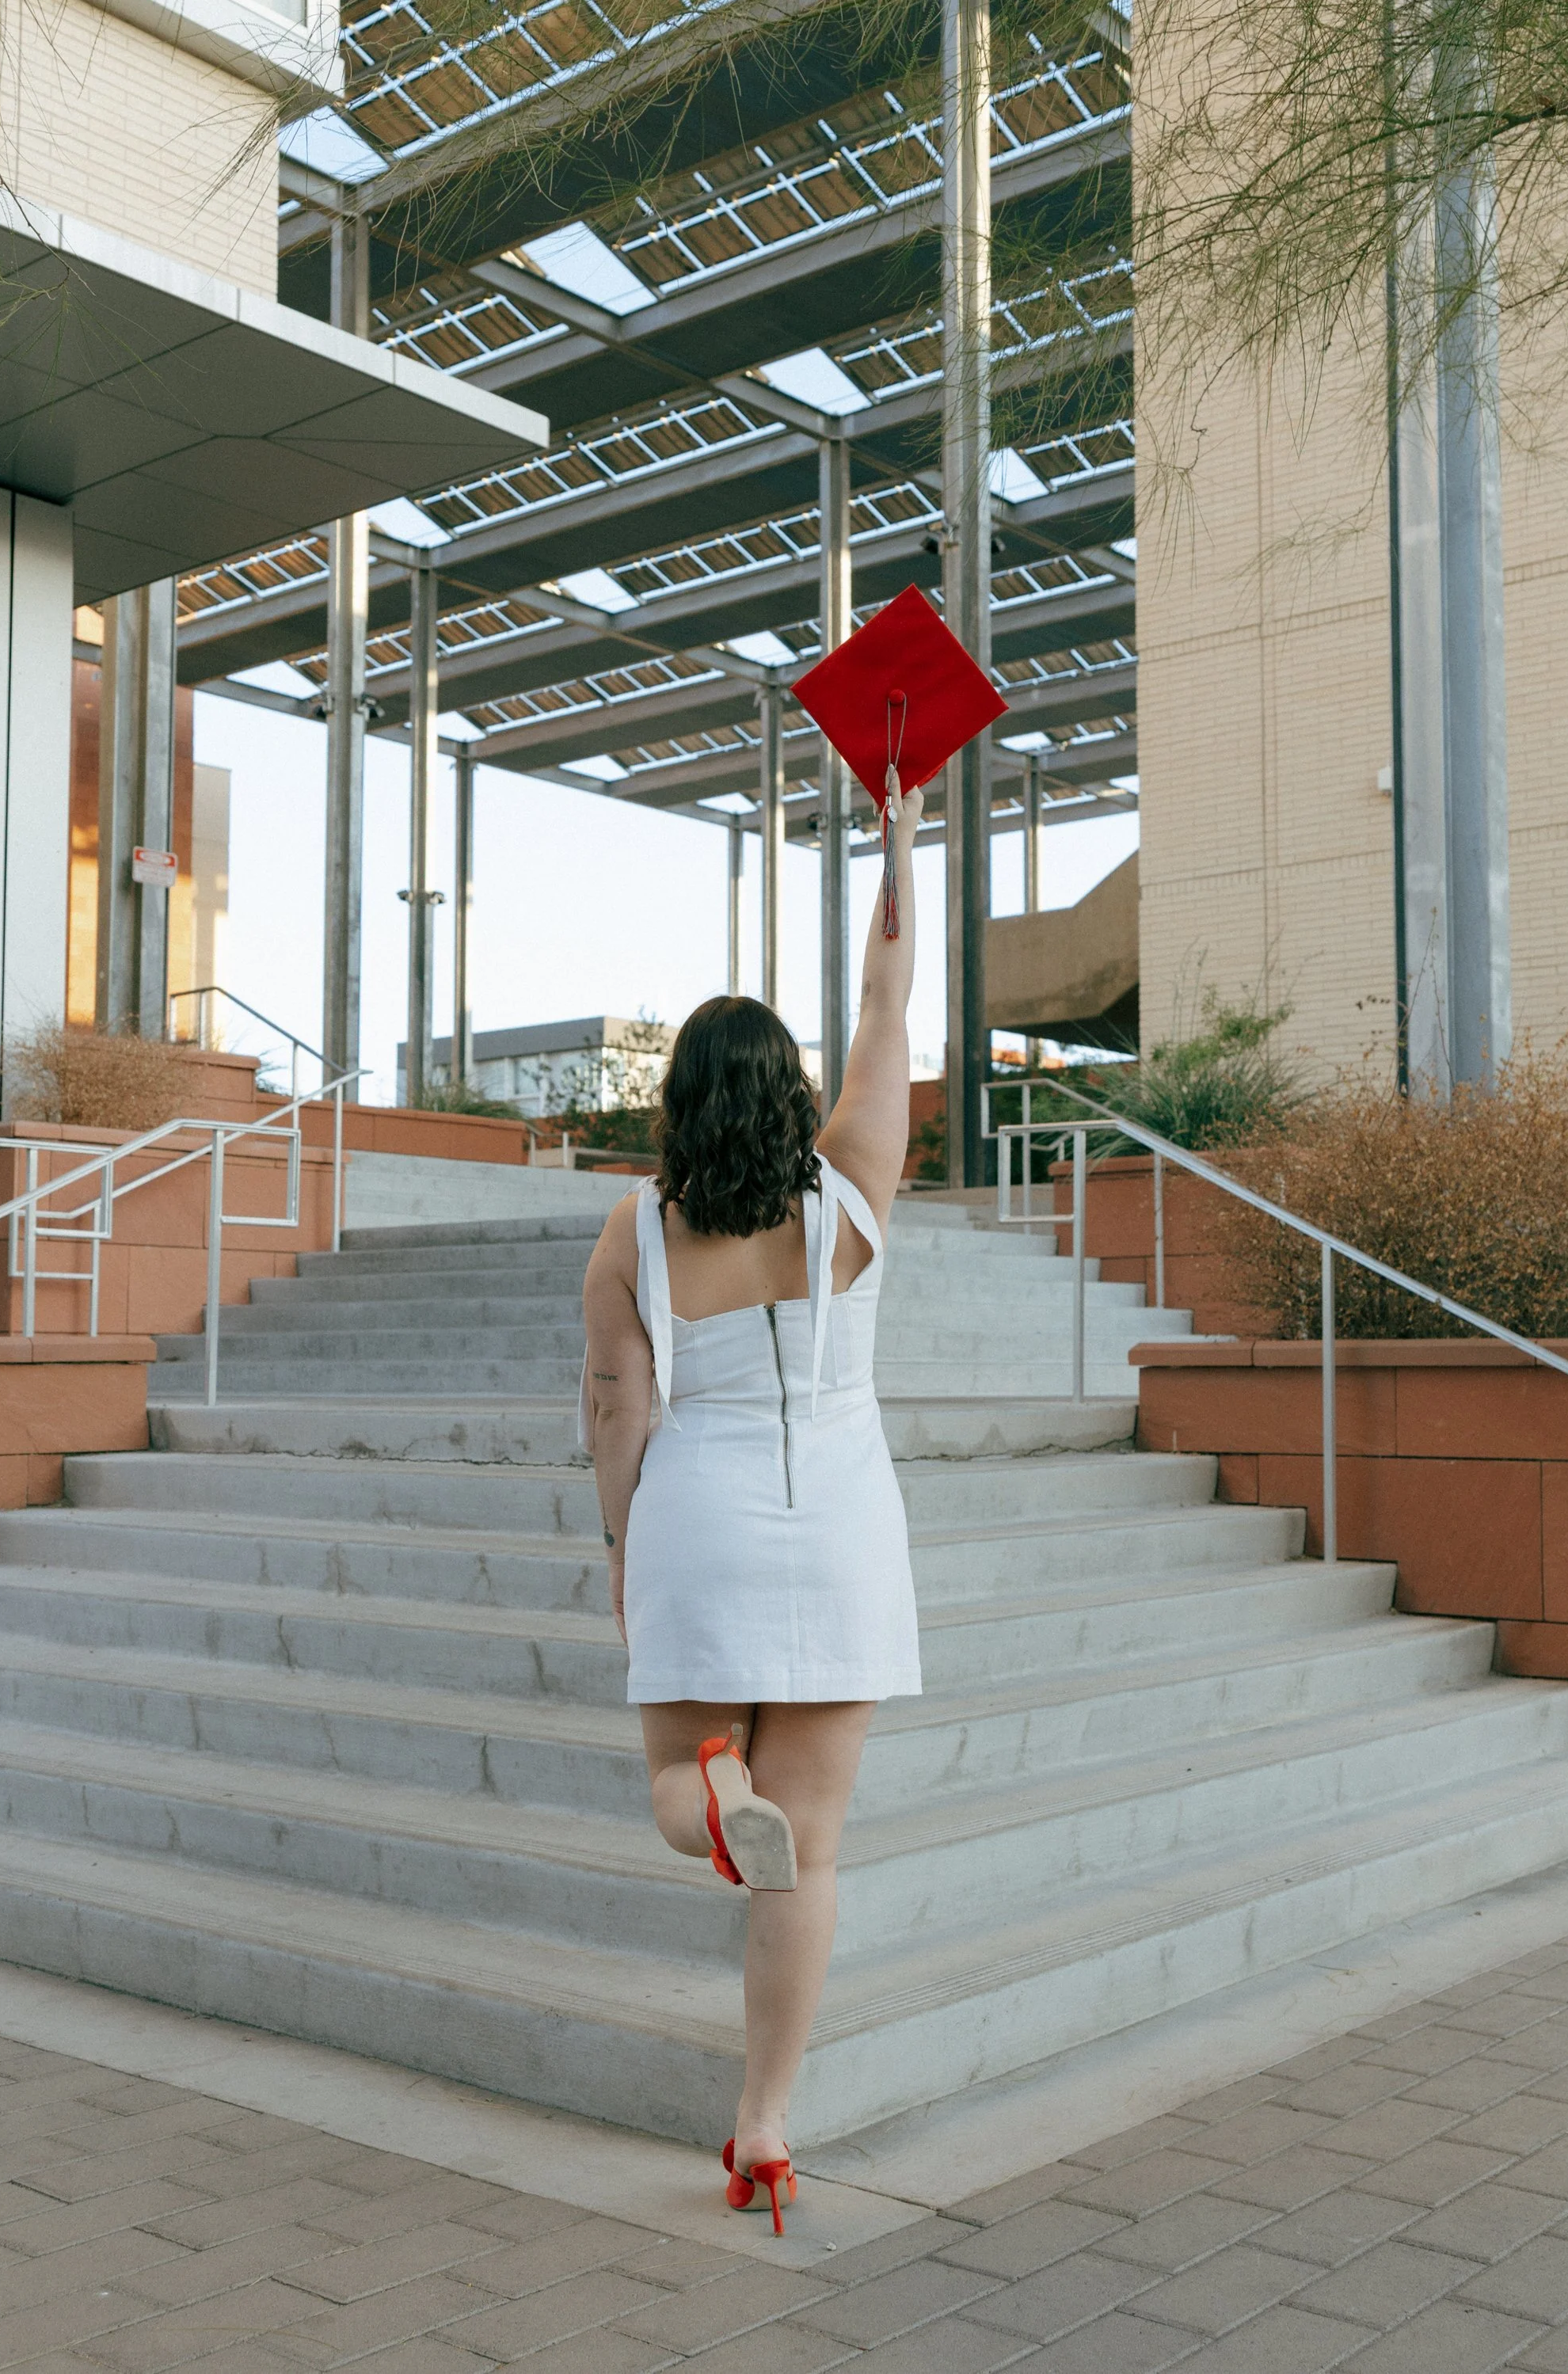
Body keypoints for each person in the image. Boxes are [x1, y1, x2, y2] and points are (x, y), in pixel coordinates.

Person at [580, 765, 926, 2234]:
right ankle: (765, 2125)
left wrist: (618, 1552)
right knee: (817, 1853)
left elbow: (618, 1408)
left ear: (676, 1105)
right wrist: (899, 847)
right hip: (838, 1526)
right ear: (793, 1096)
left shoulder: (637, 1234)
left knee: (681, 1778)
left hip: (702, 1518)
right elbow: (887, 1016)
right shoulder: (847, 1196)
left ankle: (713, 1794)